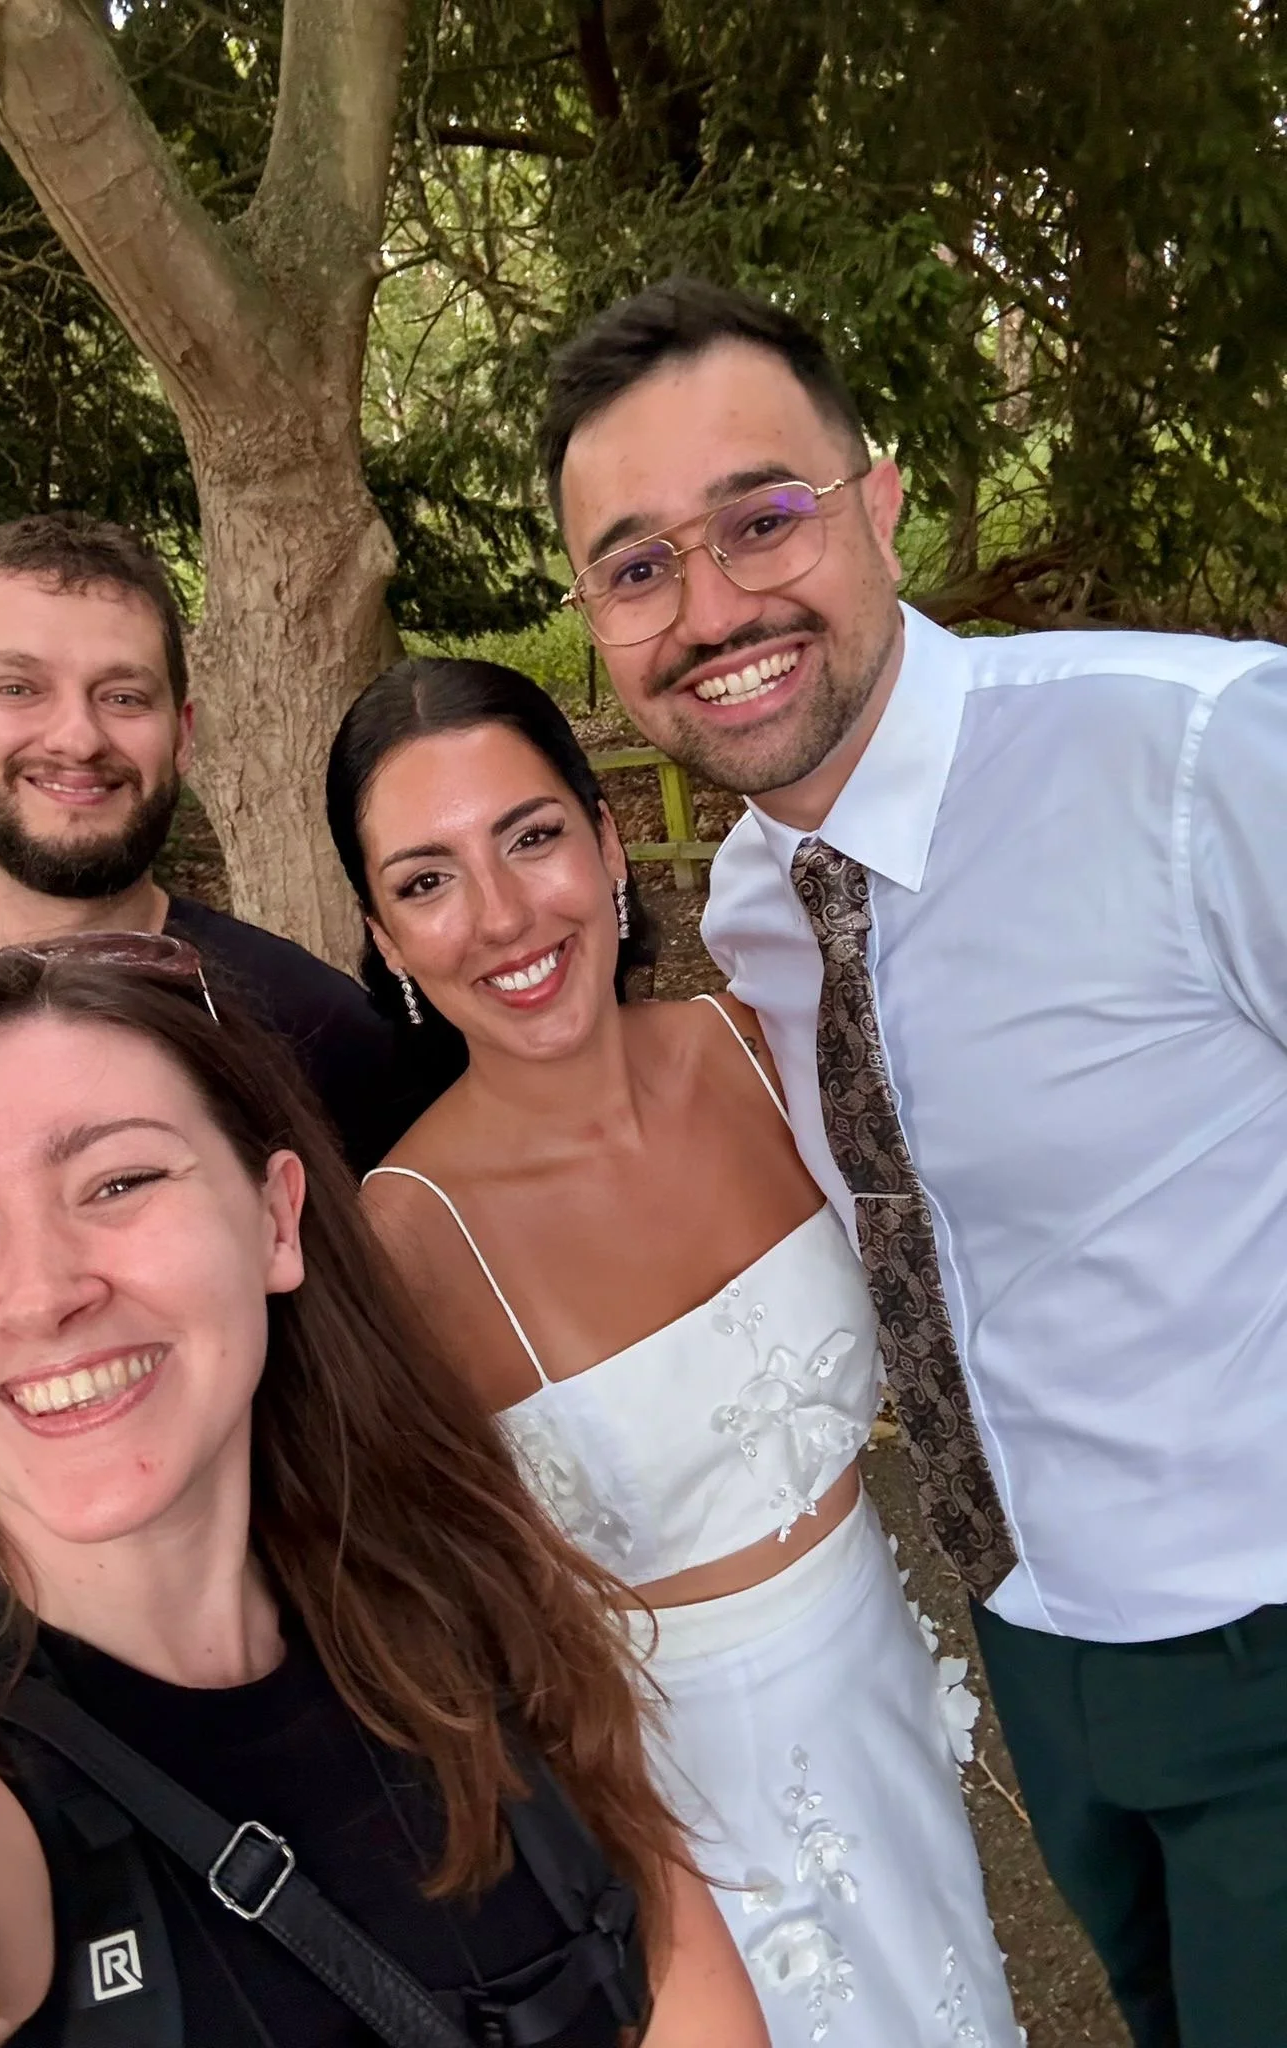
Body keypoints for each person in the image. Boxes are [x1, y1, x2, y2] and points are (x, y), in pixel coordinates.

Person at [539, 274, 1287, 2048]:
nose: (710, 605)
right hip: (1034, 1643)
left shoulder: (1193, 749)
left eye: (759, 518)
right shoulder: (751, 909)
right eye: (639, 565)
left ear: (876, 500)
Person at [0, 941, 764, 2048]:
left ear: (276, 1218)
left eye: (120, 1180)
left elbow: (682, 1976)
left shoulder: (452, 1589)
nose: (43, 1294)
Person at [326, 656, 1021, 2047]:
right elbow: (426, 1635)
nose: (505, 916)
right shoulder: (403, 1243)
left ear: (606, 836)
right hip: (683, 1820)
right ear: (388, 939)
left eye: (531, 837)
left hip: (887, 1699)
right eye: (428, 880)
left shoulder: (759, 1047)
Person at [0, 513, 420, 1799]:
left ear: (183, 724)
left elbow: (389, 1372)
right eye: (20, 687)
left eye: (124, 694)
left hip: (322, 1695)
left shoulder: (317, 1033)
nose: (76, 736)